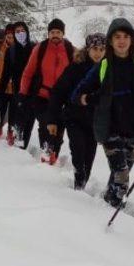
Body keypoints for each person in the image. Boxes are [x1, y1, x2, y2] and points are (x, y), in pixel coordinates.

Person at [73, 18, 134, 206]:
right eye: (117, 36)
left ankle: (107, 201)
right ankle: (113, 210)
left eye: (126, 36)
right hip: (110, 130)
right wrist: (93, 98)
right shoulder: (102, 66)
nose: (122, 40)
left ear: (133, 40)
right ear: (111, 41)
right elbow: (77, 95)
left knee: (120, 173)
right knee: (122, 175)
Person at [46, 32, 105, 189]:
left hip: (94, 122)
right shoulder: (75, 67)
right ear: (87, 49)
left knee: (89, 158)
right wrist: (52, 119)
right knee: (78, 153)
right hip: (74, 119)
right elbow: (58, 92)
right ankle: (78, 187)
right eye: (95, 49)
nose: (98, 53)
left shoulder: (108, 69)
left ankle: (82, 186)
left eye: (101, 49)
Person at [16, 18, 74, 161]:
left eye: (58, 32)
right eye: (52, 32)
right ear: (48, 33)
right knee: (45, 125)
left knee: (59, 129)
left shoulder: (70, 49)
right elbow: (28, 72)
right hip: (42, 95)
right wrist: (23, 93)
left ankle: (54, 152)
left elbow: (77, 73)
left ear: (63, 33)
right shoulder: (40, 49)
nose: (55, 35)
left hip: (62, 98)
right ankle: (46, 152)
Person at [0, 20, 35, 145]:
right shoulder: (12, 50)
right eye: (17, 32)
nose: (20, 33)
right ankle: (16, 140)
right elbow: (6, 72)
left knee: (30, 118)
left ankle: (24, 143)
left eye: (22, 31)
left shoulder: (34, 48)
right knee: (17, 116)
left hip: (33, 90)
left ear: (27, 31)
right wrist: (0, 90)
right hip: (17, 90)